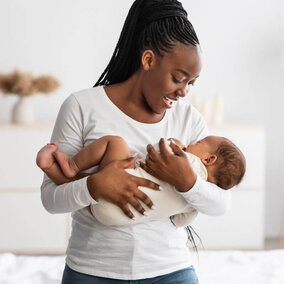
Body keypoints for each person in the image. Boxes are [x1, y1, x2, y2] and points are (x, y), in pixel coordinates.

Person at [40, 0, 232, 282]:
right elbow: (50, 199)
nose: (184, 92)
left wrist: (187, 183)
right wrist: (94, 185)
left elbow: (221, 203)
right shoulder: (82, 106)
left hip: (170, 270)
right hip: (92, 270)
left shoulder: (189, 119)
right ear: (149, 60)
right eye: (179, 78)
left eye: (192, 83)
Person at [37, 135, 245, 227]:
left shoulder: (187, 159)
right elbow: (179, 221)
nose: (192, 142)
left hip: (112, 193)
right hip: (115, 218)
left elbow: (154, 151)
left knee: (115, 143)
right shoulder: (195, 203)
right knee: (95, 183)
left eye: (198, 142)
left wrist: (175, 143)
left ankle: (71, 165)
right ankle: (51, 167)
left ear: (209, 159)